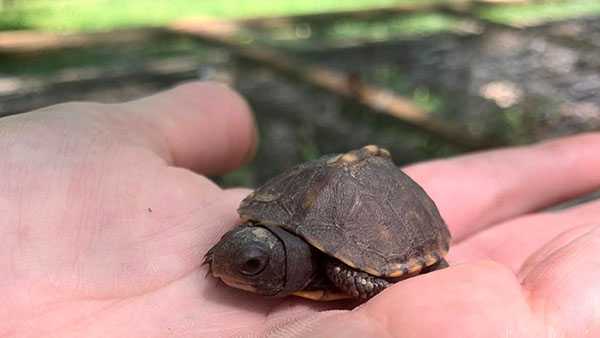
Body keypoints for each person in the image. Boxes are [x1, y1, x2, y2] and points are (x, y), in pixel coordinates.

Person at [1, 81, 599, 338]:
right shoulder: (254, 226)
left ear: (290, 268)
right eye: (242, 260)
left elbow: (359, 273)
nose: (234, 268)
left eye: (254, 268)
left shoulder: (336, 270)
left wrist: (384, 278)